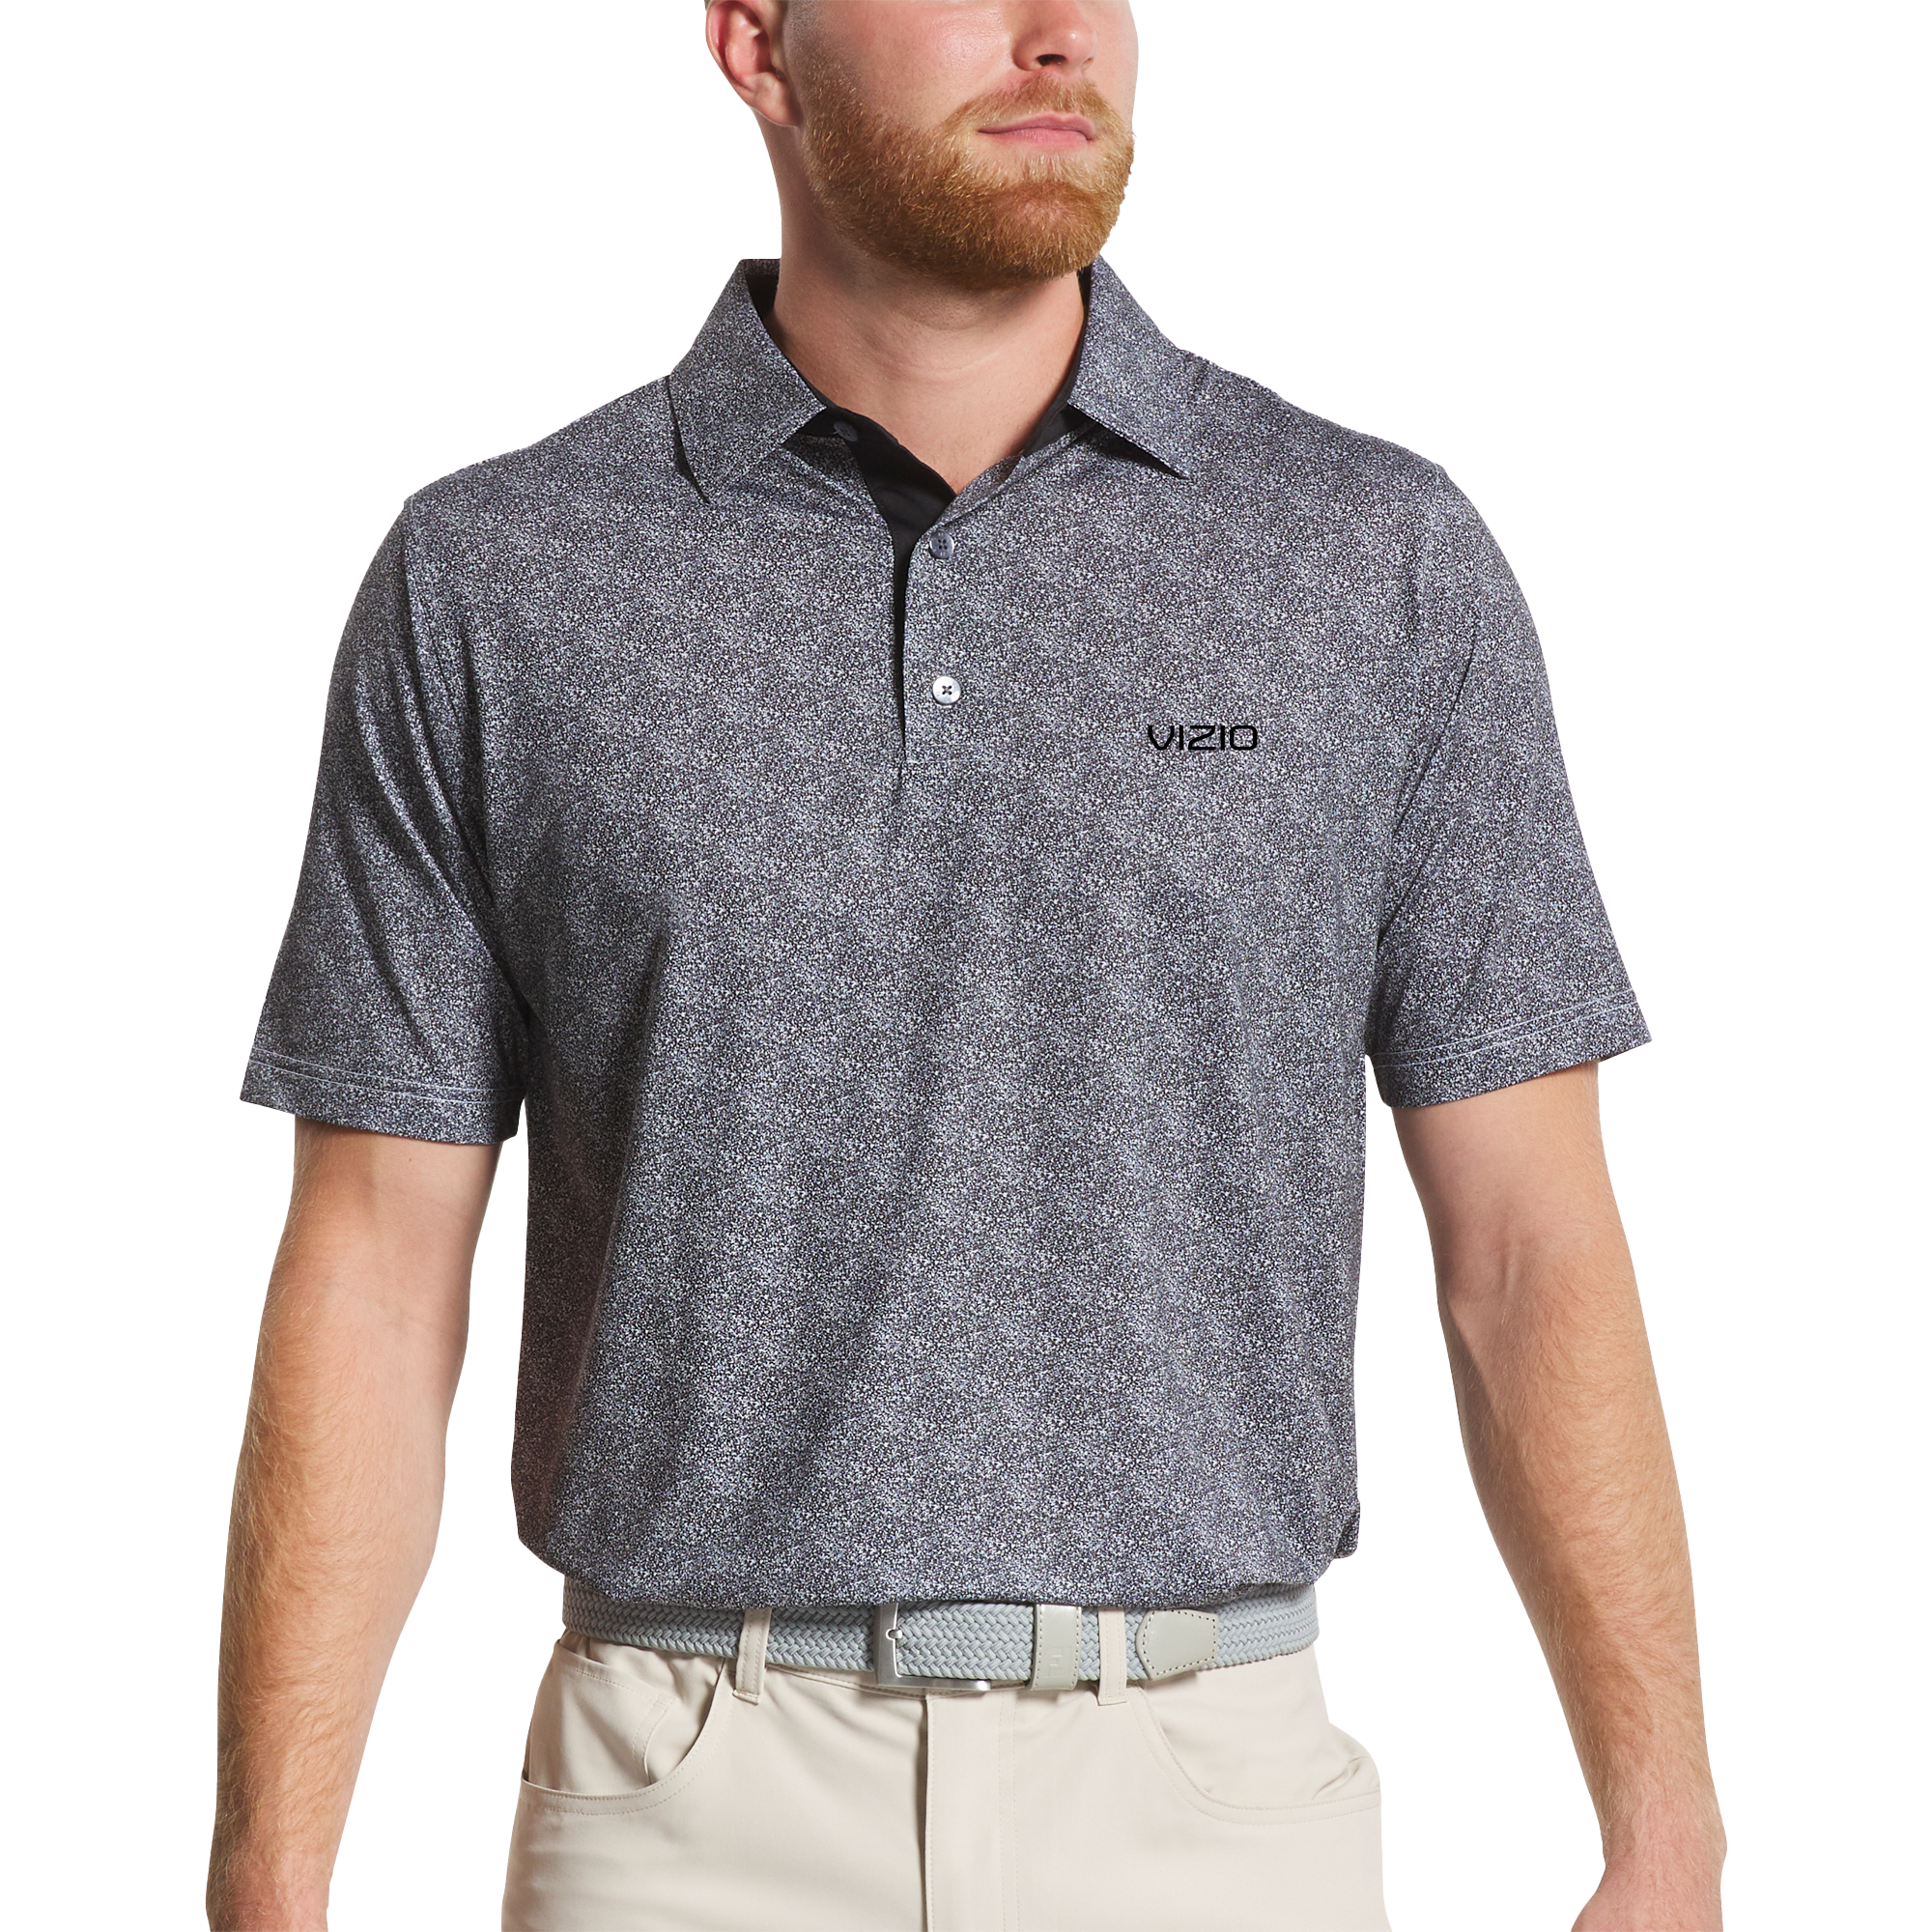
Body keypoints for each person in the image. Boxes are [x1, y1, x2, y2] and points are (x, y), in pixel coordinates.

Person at [207, 3, 1725, 1927]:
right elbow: (371, 1265)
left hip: (1213, 1803)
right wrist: (267, 1881)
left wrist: (1666, 1833)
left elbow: (1528, 1244)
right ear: (759, 44)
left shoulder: (1372, 561)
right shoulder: (498, 579)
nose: (1055, 33)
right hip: (686, 1801)